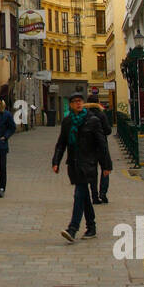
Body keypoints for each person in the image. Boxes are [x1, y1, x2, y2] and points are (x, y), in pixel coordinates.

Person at [52, 91, 113, 242]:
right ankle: (91, 227)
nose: (78, 103)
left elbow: (102, 144)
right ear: (71, 105)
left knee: (79, 193)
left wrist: (106, 165)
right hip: (73, 163)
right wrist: (56, 161)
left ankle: (72, 229)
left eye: (80, 101)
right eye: (75, 101)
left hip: (88, 163)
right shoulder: (67, 122)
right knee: (84, 195)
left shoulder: (92, 120)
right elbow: (62, 143)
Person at [87, 93, 113, 204]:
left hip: (90, 147)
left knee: (93, 172)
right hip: (102, 145)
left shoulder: (85, 115)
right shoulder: (102, 115)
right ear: (98, 102)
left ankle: (94, 196)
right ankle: (103, 193)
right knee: (105, 168)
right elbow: (108, 130)